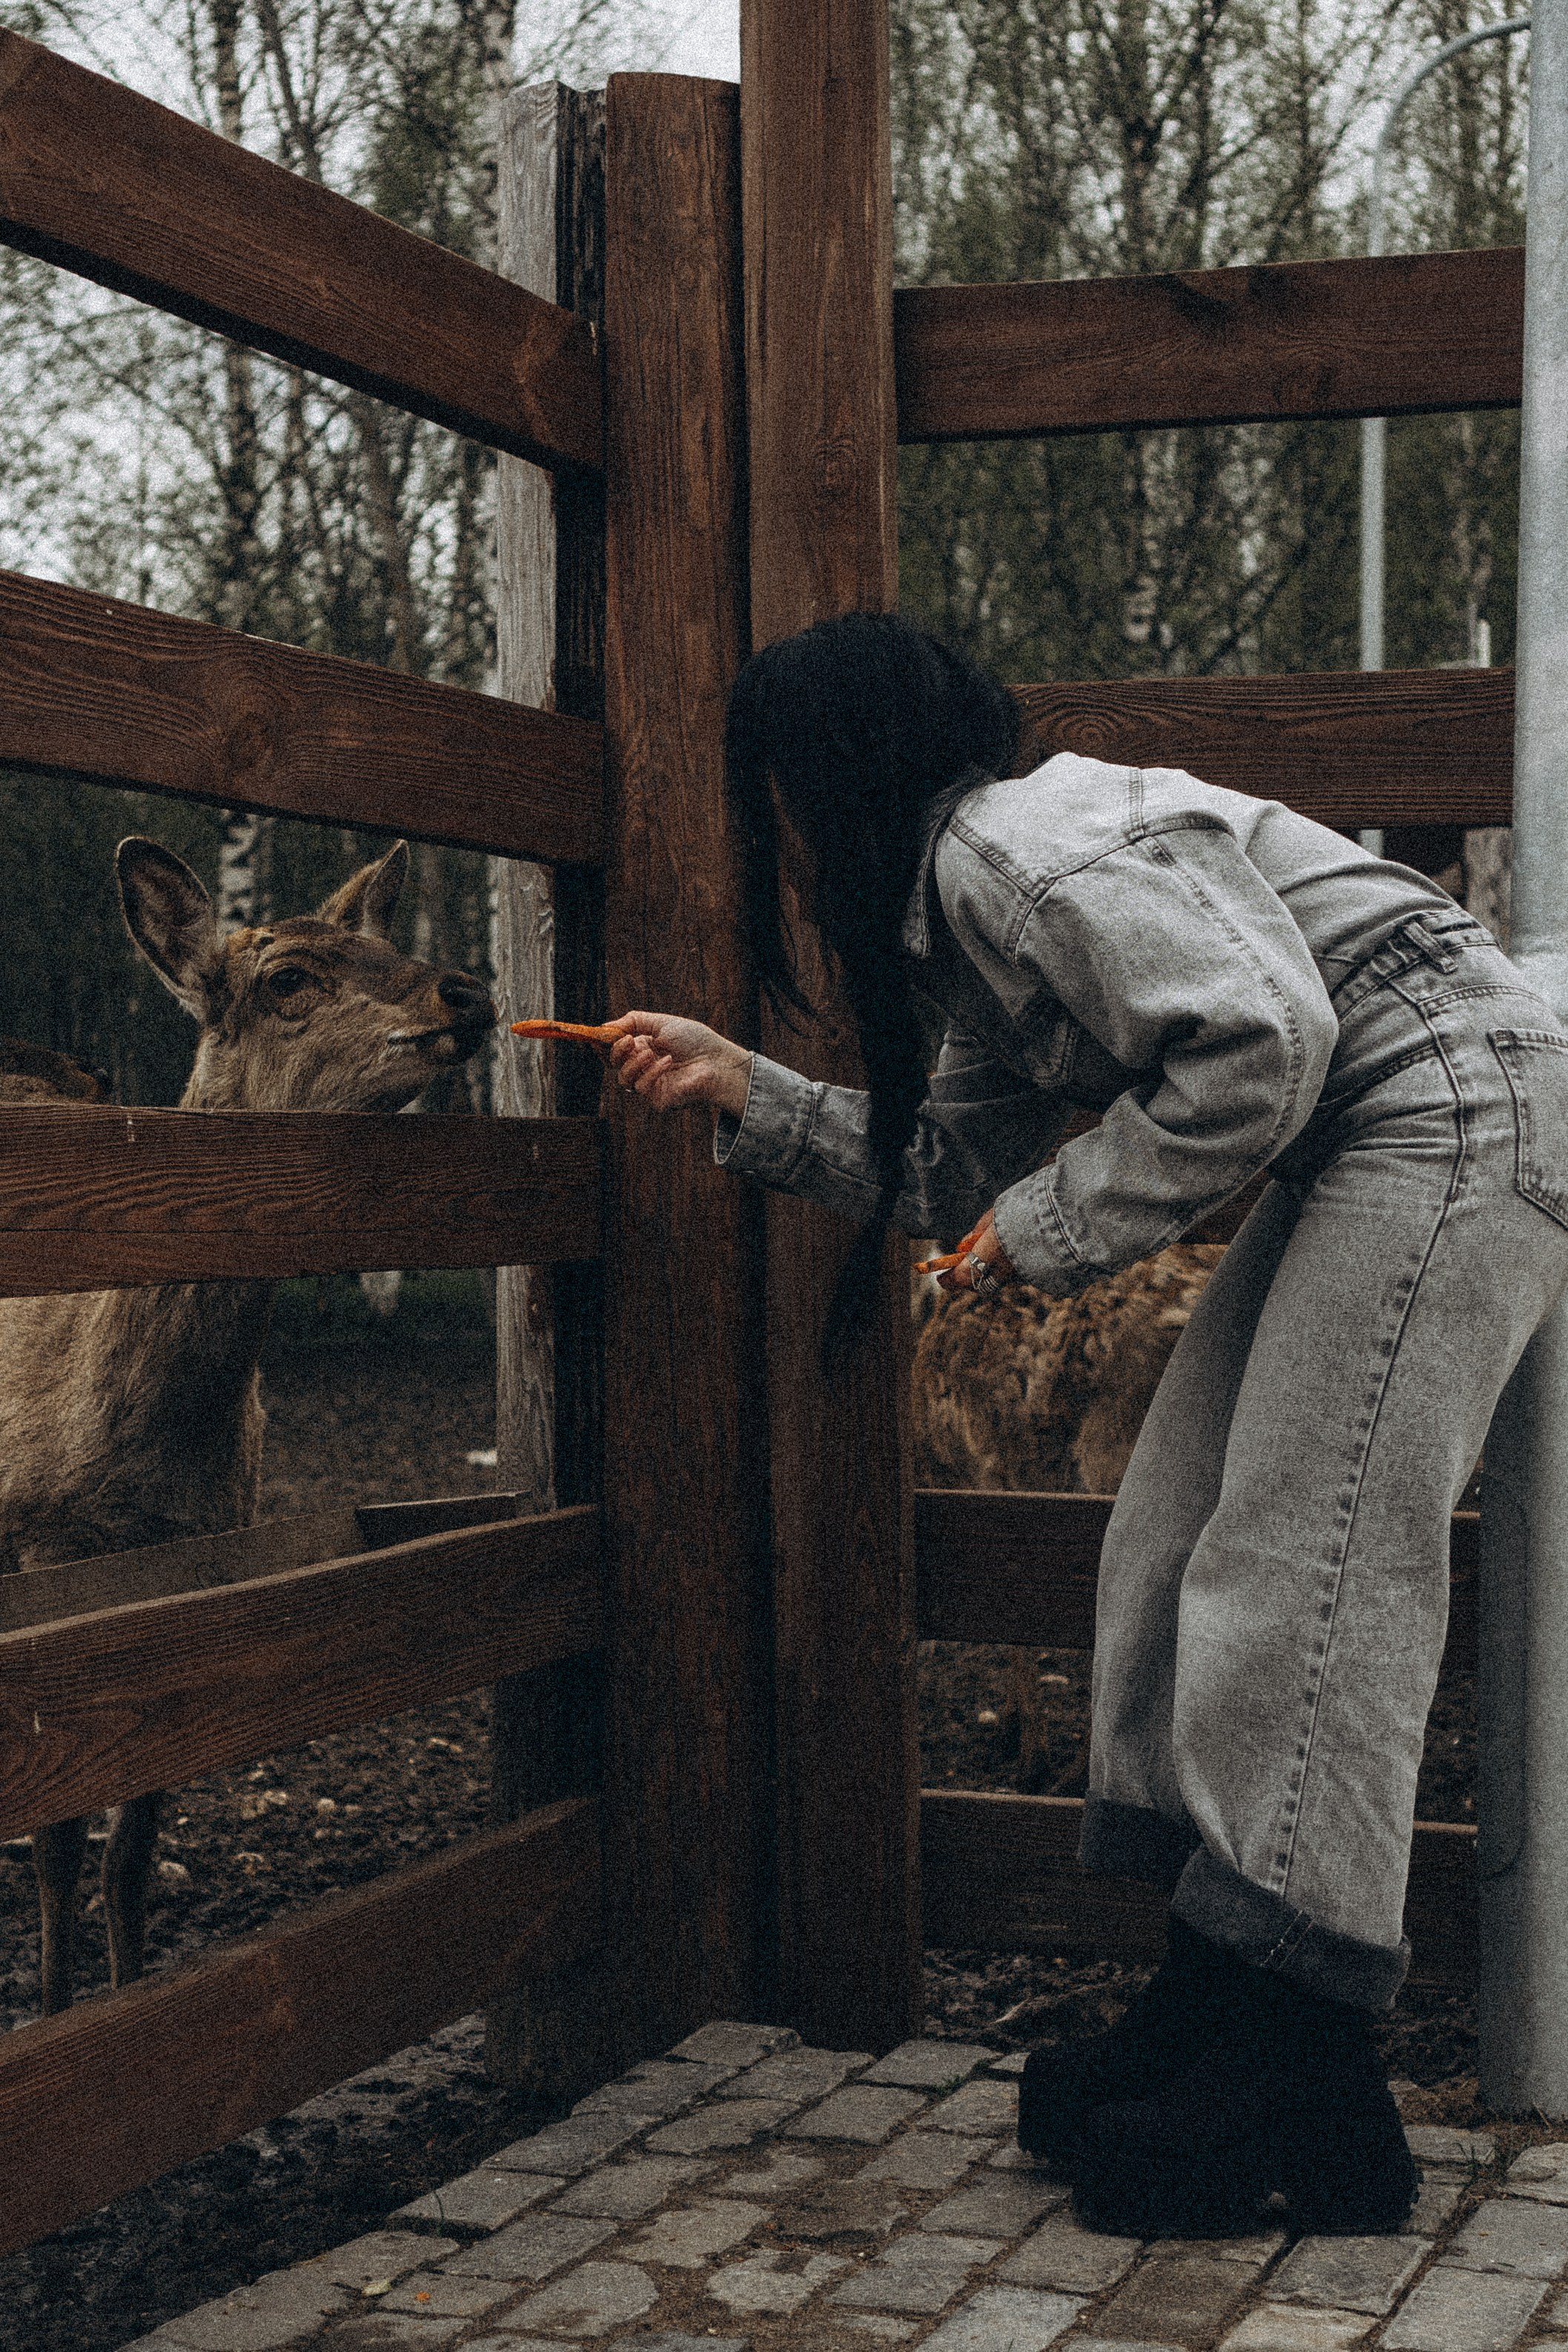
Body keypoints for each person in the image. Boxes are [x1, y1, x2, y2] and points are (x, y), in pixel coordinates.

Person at [603, 610, 1568, 2239]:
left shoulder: (1019, 853)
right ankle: (1219, 2002)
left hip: (1456, 1103)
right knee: (1177, 1531)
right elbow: (946, 1165)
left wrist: (1056, 1223)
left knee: (1305, 1565)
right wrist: (741, 1090)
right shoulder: (966, 909)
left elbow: (1261, 1048)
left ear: (825, 772)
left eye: (768, 788)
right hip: (1372, 1121)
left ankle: (1302, 2067)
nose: (763, 828)